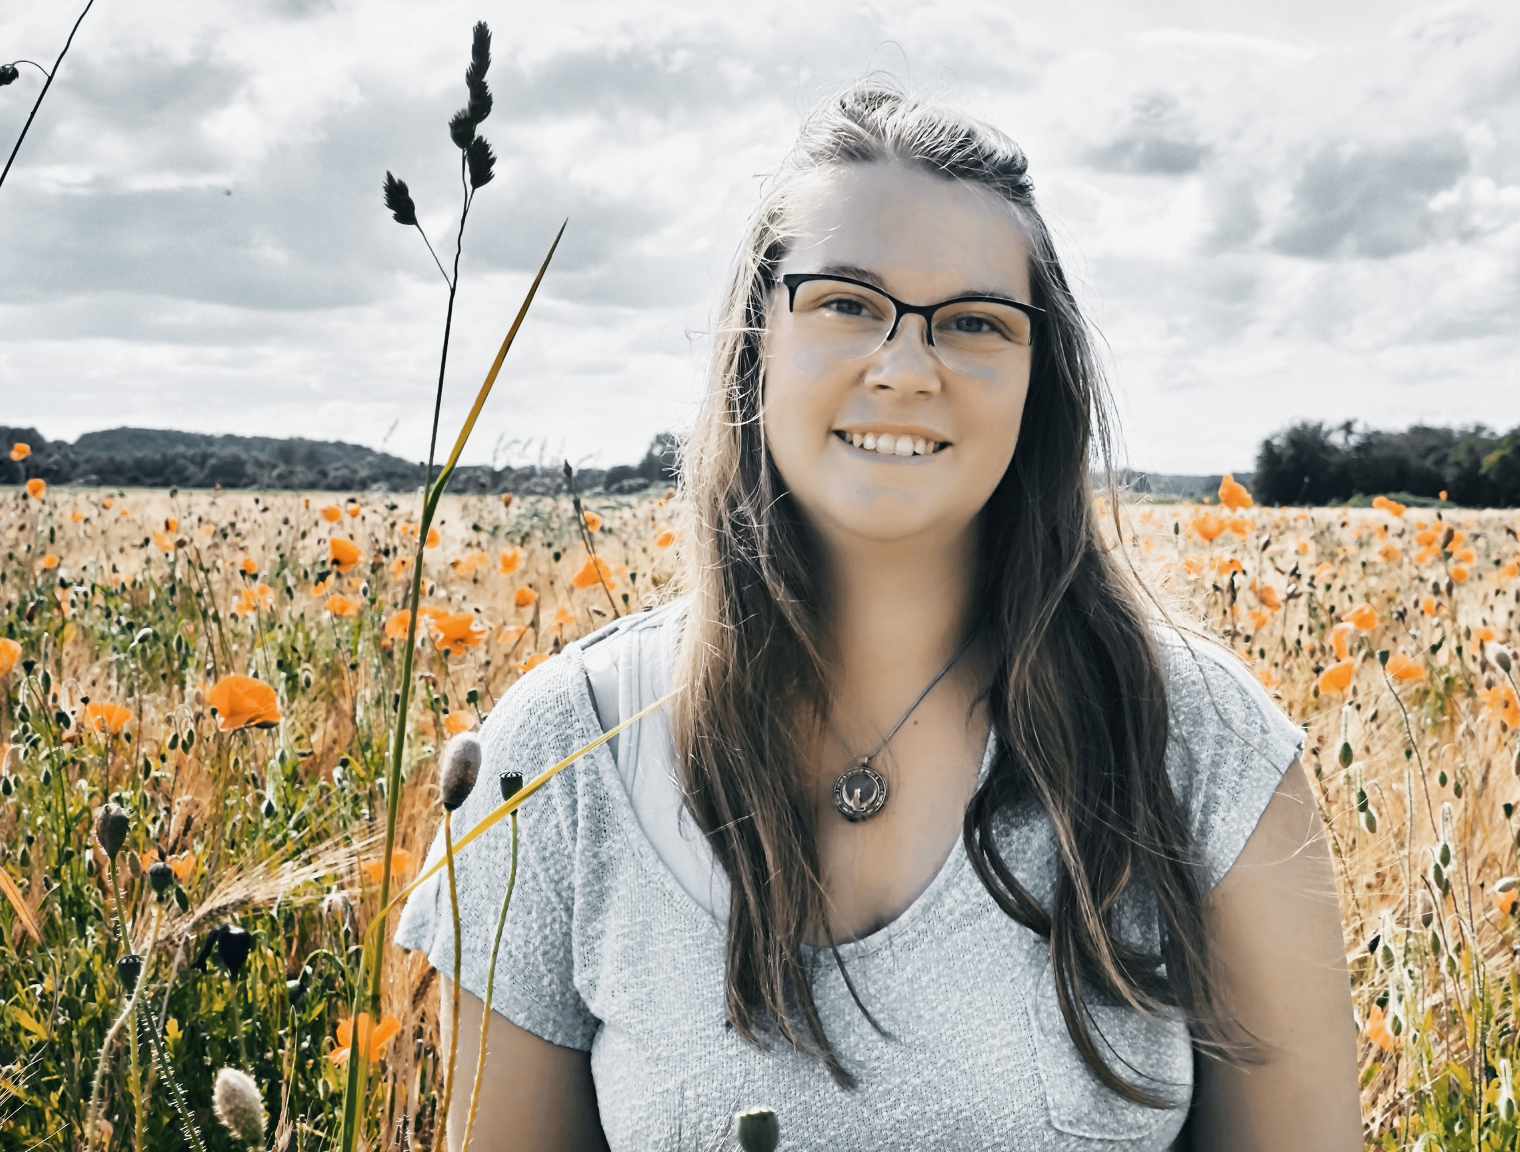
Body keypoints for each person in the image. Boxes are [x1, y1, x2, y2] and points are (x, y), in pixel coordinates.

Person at [395, 76, 1359, 1150]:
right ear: (756, 340)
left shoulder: (1199, 740)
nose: (904, 368)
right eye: (846, 303)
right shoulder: (557, 761)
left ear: (1039, 379)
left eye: (975, 323)